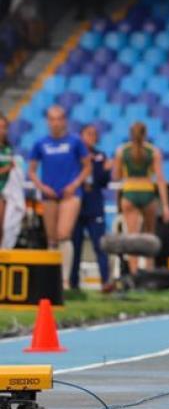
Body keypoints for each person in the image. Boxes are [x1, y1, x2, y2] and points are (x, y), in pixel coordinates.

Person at [29, 105, 90, 288]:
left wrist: (75, 184)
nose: (56, 123)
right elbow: (31, 171)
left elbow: (87, 166)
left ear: (64, 120)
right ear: (47, 121)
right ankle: (51, 279)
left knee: (64, 233)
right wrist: (42, 186)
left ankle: (64, 280)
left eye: (59, 118)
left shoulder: (75, 142)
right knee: (52, 237)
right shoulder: (41, 143)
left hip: (70, 194)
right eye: (52, 119)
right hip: (49, 194)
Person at [112, 122, 169, 276]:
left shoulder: (122, 151)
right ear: (145, 135)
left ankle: (134, 273)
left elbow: (116, 176)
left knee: (133, 237)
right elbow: (160, 179)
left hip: (130, 192)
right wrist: (166, 205)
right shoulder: (153, 151)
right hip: (147, 191)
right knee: (149, 235)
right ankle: (149, 271)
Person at [71, 124, 111, 291]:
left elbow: (103, 182)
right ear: (80, 136)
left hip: (94, 207)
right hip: (76, 206)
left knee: (100, 246)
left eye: (94, 134)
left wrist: (106, 171)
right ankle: (72, 284)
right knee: (75, 247)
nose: (91, 137)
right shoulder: (73, 156)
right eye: (88, 134)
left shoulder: (100, 156)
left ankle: (106, 282)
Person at [0, 116, 12, 247]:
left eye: (4, 127)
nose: (1, 130)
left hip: (6, 193)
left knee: (4, 227)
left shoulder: (8, 148)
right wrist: (7, 168)